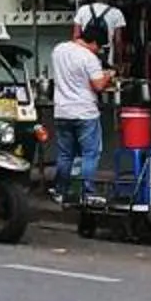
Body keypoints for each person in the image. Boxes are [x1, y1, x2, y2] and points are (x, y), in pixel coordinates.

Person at [48, 18, 113, 203]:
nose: (98, 51)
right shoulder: (89, 58)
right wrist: (108, 75)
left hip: (62, 111)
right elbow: (98, 86)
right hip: (85, 112)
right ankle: (88, 193)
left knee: (65, 154)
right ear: (92, 42)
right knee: (89, 154)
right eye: (98, 47)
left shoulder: (58, 49)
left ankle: (60, 191)